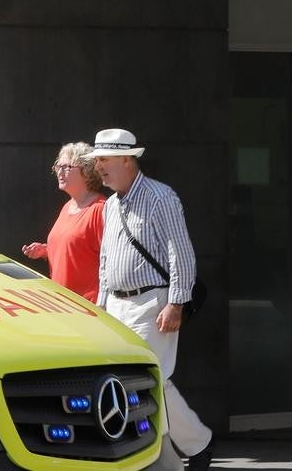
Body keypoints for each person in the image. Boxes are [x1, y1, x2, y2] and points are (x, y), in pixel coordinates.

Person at [83, 128, 214, 471]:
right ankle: (190, 446)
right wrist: (101, 307)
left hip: (152, 304)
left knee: (148, 380)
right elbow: (106, 260)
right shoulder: (110, 205)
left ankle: (186, 449)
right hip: (117, 306)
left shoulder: (161, 197)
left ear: (128, 160)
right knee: (142, 382)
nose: (99, 167)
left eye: (105, 160)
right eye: (97, 161)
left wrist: (176, 303)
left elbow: (180, 254)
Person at [21, 142, 106, 302]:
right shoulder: (68, 206)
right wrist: (46, 251)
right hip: (63, 304)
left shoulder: (99, 210)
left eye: (66, 167)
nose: (59, 172)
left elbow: (110, 261)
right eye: (58, 166)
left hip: (88, 306)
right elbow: (76, 247)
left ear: (86, 171)